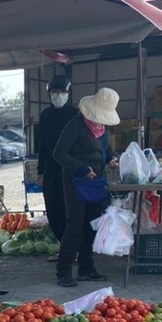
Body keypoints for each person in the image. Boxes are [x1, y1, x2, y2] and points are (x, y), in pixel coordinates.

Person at [52, 87, 121, 287]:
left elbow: (106, 150)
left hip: (96, 181)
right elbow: (59, 153)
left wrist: (112, 159)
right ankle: (63, 271)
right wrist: (81, 168)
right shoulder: (75, 126)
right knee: (75, 225)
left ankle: (86, 268)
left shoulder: (103, 129)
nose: (102, 121)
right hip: (76, 180)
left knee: (92, 225)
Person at [37, 75, 79, 258]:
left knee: (70, 208)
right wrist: (40, 171)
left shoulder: (75, 114)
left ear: (68, 94)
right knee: (53, 208)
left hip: (70, 168)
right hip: (51, 169)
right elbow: (42, 145)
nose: (58, 95)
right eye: (54, 92)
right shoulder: (45, 115)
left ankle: (74, 249)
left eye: (62, 92)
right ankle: (64, 246)